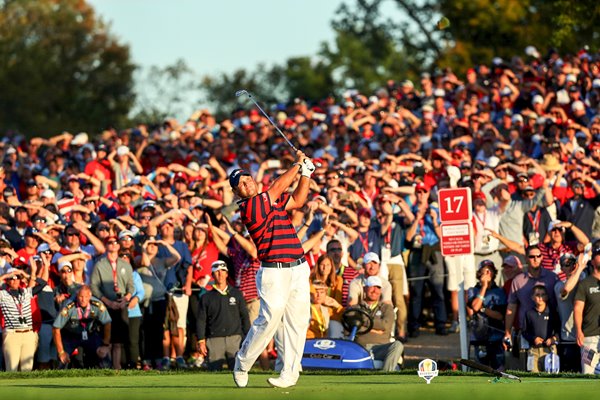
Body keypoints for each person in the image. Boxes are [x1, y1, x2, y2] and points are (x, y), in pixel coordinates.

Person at [230, 149, 314, 389]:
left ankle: (289, 374)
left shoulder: (272, 202)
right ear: (237, 192)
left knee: (297, 322)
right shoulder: (250, 207)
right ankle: (243, 362)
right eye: (241, 184)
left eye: (248, 179)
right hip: (273, 271)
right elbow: (277, 186)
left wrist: (306, 173)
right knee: (269, 320)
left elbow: (298, 200)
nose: (247, 184)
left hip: (298, 266)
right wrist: (299, 164)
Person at [90, 235, 134, 370]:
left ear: (119, 245)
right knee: (106, 339)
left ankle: (117, 367)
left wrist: (126, 298)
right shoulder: (100, 264)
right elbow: (94, 287)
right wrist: (107, 302)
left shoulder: (125, 264)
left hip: (121, 304)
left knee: (118, 341)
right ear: (106, 246)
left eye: (116, 242)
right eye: (110, 242)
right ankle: (107, 367)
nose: (113, 244)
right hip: (105, 305)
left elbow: (131, 286)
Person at [196, 260, 250, 371]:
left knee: (238, 372)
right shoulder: (206, 297)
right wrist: (201, 340)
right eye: (217, 272)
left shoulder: (236, 294)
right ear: (212, 275)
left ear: (227, 273)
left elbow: (244, 316)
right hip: (214, 340)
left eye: (223, 271)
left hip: (235, 339)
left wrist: (248, 338)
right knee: (214, 372)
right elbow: (201, 320)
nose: (220, 274)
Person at [52, 285, 112, 368]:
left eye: (86, 297)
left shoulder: (97, 305)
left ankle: (109, 377)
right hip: (71, 337)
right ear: (77, 296)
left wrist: (105, 344)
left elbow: (107, 322)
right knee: (61, 361)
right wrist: (61, 352)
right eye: (81, 296)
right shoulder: (69, 306)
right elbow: (56, 328)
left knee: (103, 356)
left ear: (90, 296)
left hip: (90, 335)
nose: (83, 300)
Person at [0, 265, 46, 371]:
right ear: (7, 281)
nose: (15, 280)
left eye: (17, 278)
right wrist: (5, 275)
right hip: (12, 334)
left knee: (27, 369)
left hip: (28, 333)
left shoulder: (26, 292)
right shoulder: (2, 294)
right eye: (12, 278)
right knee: (11, 368)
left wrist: (26, 275)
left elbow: (43, 284)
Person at [354, 276, 404, 371]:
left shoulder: (387, 308)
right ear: (365, 288)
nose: (375, 290)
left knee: (398, 345)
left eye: (378, 287)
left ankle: (384, 376)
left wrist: (364, 322)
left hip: (380, 348)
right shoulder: (356, 308)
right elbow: (353, 328)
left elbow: (386, 326)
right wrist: (376, 329)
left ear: (381, 291)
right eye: (372, 286)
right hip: (360, 348)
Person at [467, 260, 507, 370]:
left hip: (497, 338)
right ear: (479, 273)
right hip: (479, 337)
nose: (487, 274)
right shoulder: (473, 290)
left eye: (490, 271)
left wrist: (483, 309)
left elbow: (500, 316)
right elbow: (475, 307)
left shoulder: (499, 292)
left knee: (499, 369)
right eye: (485, 271)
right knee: (481, 369)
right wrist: (484, 287)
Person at [554, 253, 587, 372]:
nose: (571, 266)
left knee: (589, 375)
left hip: (587, 338)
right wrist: (579, 268)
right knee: (570, 376)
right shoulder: (559, 285)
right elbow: (567, 288)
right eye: (567, 264)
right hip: (569, 340)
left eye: (573, 263)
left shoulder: (584, 278)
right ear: (562, 268)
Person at [573, 243, 600, 374]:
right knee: (588, 373)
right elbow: (578, 309)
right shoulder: (585, 284)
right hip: (589, 337)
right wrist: (578, 330)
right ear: (593, 260)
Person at [522, 284, 560, 372]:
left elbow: (558, 330)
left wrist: (553, 339)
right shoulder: (529, 313)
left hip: (550, 350)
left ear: (547, 296)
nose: (540, 297)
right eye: (537, 295)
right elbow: (524, 331)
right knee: (533, 374)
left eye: (543, 294)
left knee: (550, 376)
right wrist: (533, 338)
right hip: (533, 350)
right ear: (532, 297)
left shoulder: (552, 312)